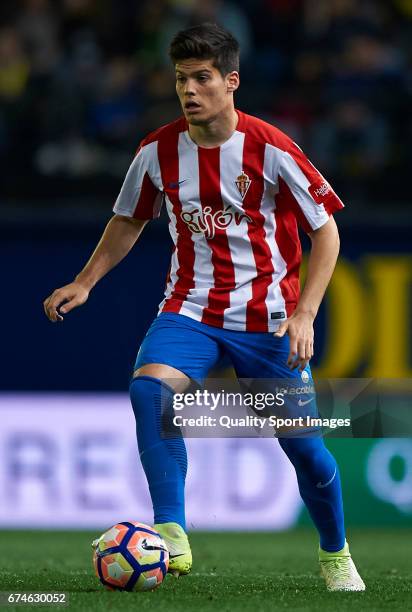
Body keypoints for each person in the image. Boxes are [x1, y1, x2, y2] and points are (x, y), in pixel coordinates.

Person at [44, 23, 365, 592]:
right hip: (190, 309)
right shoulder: (157, 151)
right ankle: (172, 532)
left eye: (201, 78)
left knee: (307, 454)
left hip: (268, 320)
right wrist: (86, 280)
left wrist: (306, 313)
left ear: (231, 82)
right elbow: (129, 219)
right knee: (150, 390)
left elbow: (328, 232)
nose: (189, 90)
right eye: (180, 80)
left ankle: (336, 552)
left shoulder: (271, 147)